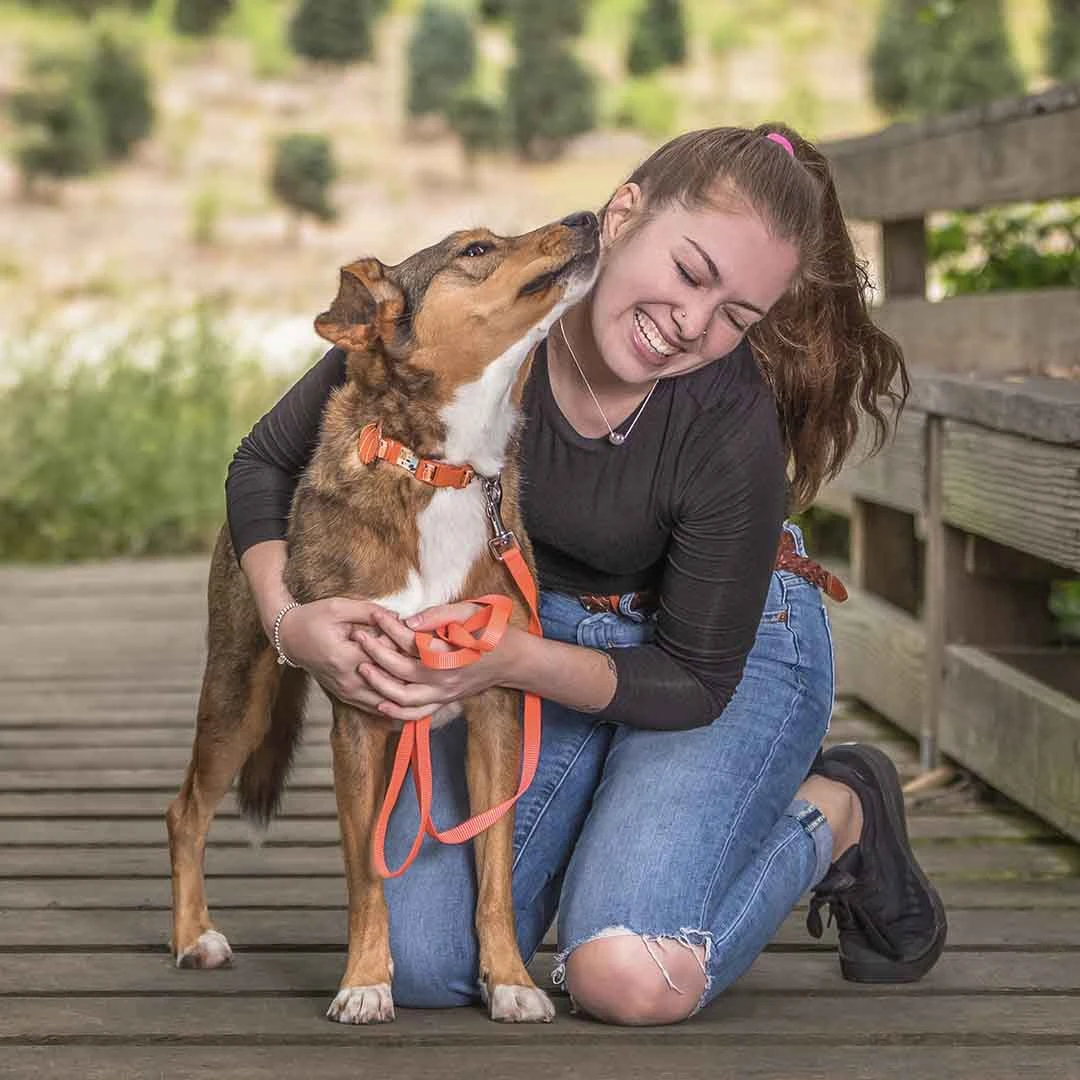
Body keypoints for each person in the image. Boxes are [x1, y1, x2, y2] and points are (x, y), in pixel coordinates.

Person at [225, 124, 946, 1025]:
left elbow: (693, 678)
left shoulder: (727, 425)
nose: (693, 322)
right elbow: (262, 465)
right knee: (419, 965)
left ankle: (838, 812)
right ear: (625, 212)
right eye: (690, 272)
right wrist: (291, 621)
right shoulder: (471, 316)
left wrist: (508, 661)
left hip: (715, 661)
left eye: (736, 316)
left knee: (627, 975)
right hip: (544, 636)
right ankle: (617, 822)